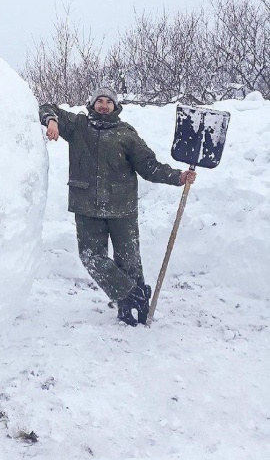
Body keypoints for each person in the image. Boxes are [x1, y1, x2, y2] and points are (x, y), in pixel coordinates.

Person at [39, 87, 196, 326]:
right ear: (92, 104)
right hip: (86, 207)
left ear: (115, 107)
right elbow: (46, 106)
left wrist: (178, 177)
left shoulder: (126, 134)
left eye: (108, 102)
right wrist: (51, 122)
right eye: (99, 101)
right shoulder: (78, 125)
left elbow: (149, 166)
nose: (103, 105)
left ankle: (129, 308)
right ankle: (133, 295)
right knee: (91, 257)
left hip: (122, 209)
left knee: (129, 262)